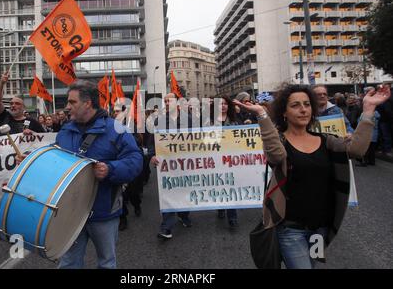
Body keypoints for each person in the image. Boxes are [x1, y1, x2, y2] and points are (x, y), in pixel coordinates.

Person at [234, 84, 390, 269]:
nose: (303, 109)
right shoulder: (279, 141)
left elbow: (357, 149)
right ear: (284, 112)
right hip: (291, 229)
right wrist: (262, 114)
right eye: (295, 105)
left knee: (311, 266)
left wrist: (369, 110)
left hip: (320, 230)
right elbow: (277, 156)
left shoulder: (326, 140)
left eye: (307, 104)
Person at [53, 80, 142, 269]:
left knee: (106, 262)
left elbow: (135, 160)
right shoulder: (65, 131)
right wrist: (30, 161)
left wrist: (110, 169)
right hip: (71, 211)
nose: (67, 107)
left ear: (88, 103)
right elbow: (54, 160)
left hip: (103, 210)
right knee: (68, 262)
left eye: (72, 102)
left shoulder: (116, 129)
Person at [148, 93, 196, 239]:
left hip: (185, 163)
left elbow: (197, 140)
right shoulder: (159, 121)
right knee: (168, 192)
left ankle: (183, 214)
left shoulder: (190, 120)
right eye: (165, 101)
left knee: (184, 189)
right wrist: (152, 155)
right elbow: (152, 141)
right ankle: (166, 226)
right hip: (166, 164)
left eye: (170, 100)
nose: (167, 103)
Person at [212, 96, 241, 229]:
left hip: (231, 159)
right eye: (220, 104)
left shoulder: (235, 121)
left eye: (225, 104)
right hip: (215, 158)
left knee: (230, 185)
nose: (222, 106)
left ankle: (232, 217)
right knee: (219, 184)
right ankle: (220, 207)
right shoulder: (209, 121)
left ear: (228, 106)